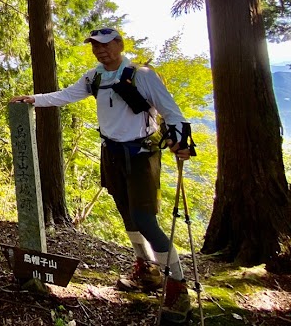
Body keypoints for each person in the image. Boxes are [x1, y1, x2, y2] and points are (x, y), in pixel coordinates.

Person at [11, 27, 194, 324]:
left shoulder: (142, 74)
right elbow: (67, 95)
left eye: (106, 45)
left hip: (141, 155)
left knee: (146, 219)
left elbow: (171, 111)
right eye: (95, 46)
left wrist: (182, 142)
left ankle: (177, 285)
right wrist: (34, 99)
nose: (100, 50)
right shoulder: (94, 77)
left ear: (119, 45)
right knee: (127, 214)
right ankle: (146, 269)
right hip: (111, 154)